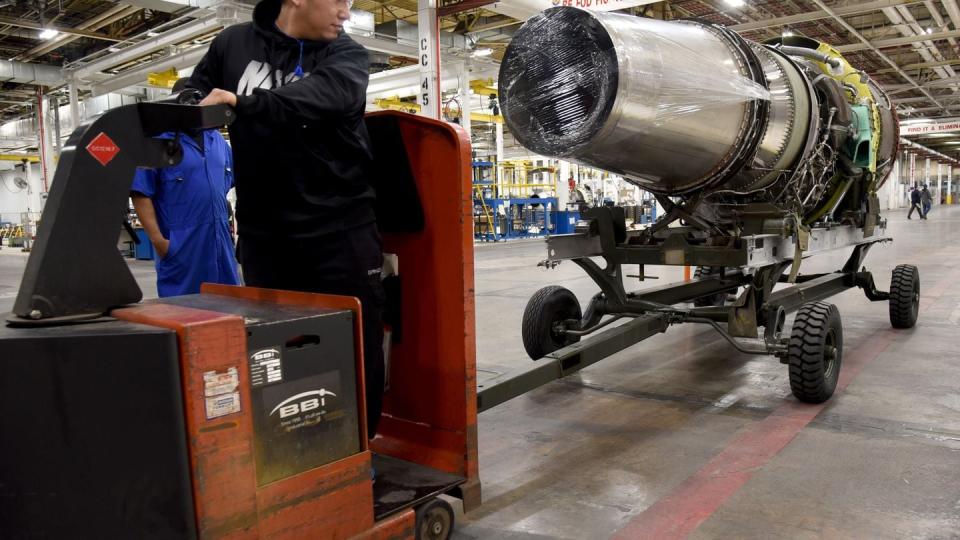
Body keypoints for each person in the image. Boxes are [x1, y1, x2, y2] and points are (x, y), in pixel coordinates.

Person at [187, 0, 386, 437]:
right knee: (272, 353)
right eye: (338, 1)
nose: (346, 14)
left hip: (339, 231)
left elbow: (321, 97)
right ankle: (289, 450)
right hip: (266, 235)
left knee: (353, 350)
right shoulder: (232, 44)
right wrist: (186, 106)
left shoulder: (346, 56)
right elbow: (197, 88)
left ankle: (359, 453)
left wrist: (242, 102)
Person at [131, 78, 239, 297]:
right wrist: (159, 242)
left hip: (219, 240)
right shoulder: (158, 142)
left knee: (228, 307)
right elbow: (141, 193)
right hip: (182, 246)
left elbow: (228, 182)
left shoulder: (217, 140)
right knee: (184, 309)